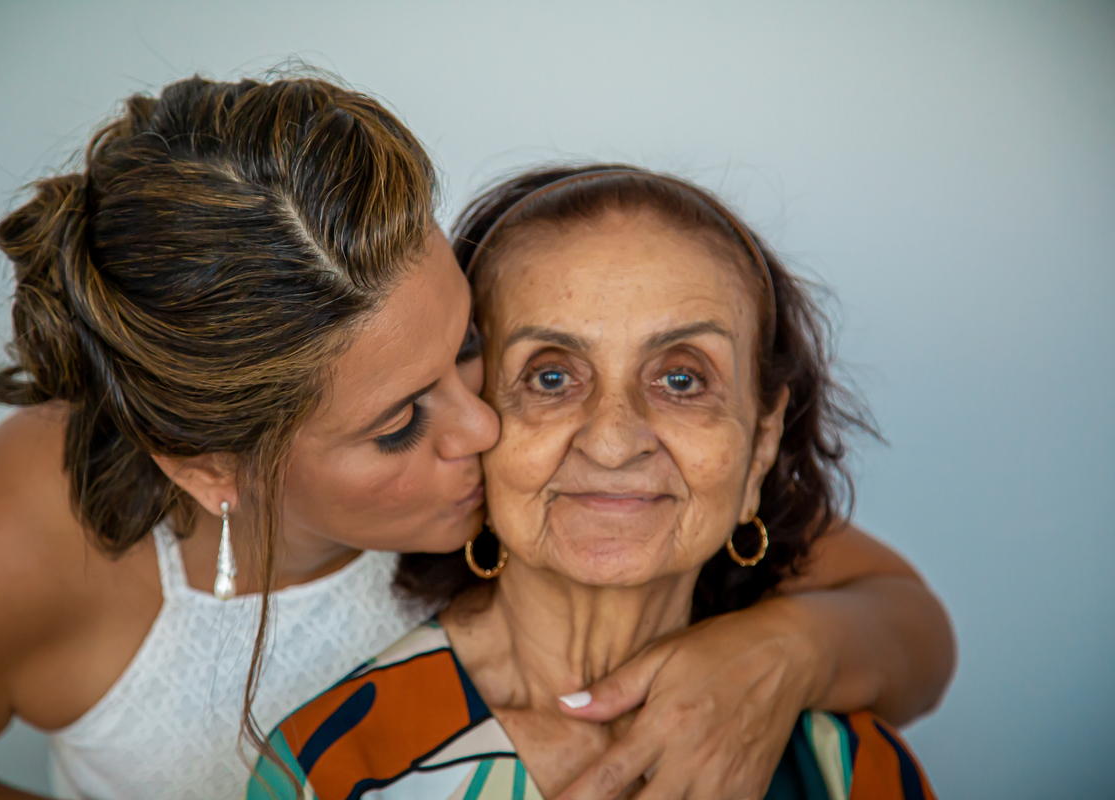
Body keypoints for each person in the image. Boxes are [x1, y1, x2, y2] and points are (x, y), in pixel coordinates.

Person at [0, 76, 952, 800]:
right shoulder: (17, 541)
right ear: (211, 467)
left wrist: (783, 647)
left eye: (468, 345)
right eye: (400, 422)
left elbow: (903, 623)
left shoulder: (567, 498)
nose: (486, 422)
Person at [248, 166, 940, 800]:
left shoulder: (849, 771)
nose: (612, 442)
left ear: (760, 443)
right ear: (475, 419)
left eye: (681, 378)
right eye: (550, 377)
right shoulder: (331, 770)